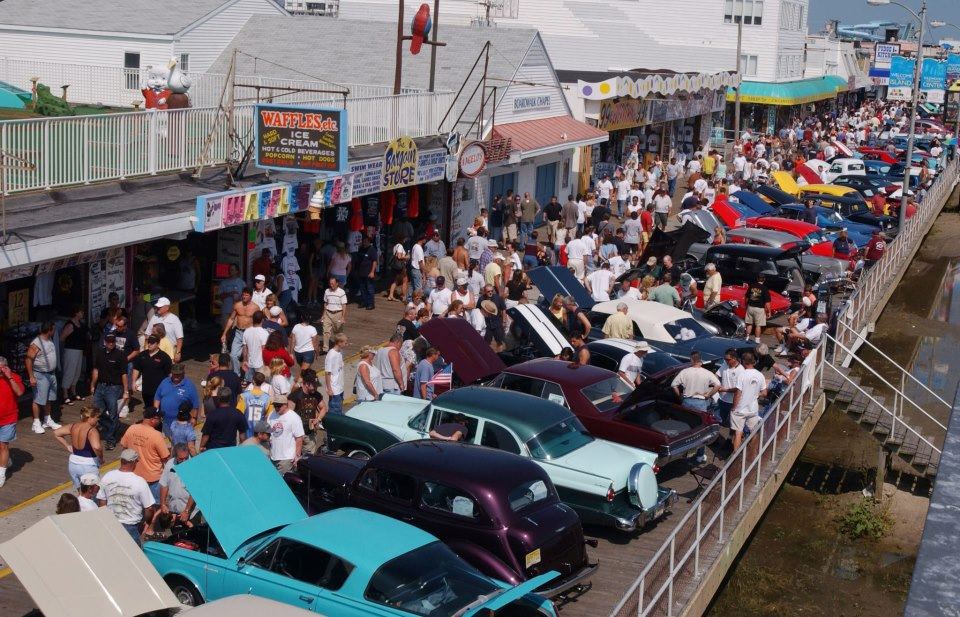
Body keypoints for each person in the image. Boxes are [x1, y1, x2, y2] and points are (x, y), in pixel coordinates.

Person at [97, 449, 156, 546]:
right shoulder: (140, 482)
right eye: (137, 461)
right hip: (131, 527)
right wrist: (147, 522)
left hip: (111, 524)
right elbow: (149, 508)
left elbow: (102, 502)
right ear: (133, 462)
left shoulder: (107, 476)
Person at [120, 407, 169, 501]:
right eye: (159, 419)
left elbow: (124, 448)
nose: (160, 421)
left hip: (134, 475)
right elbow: (165, 457)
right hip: (152, 479)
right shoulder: (156, 435)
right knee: (155, 505)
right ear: (153, 419)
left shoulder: (132, 428)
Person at [91, 334, 129, 449]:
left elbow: (124, 374)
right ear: (104, 342)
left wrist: (126, 390)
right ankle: (114, 426)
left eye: (112, 341)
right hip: (100, 386)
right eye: (108, 341)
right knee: (96, 412)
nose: (111, 343)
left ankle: (111, 439)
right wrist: (93, 385)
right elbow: (96, 370)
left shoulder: (120, 355)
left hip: (114, 388)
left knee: (113, 414)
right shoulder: (99, 353)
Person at [53, 406, 102, 489]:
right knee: (93, 493)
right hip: (88, 465)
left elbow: (56, 433)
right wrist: (101, 457)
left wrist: (67, 445)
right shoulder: (92, 430)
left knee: (80, 492)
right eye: (97, 417)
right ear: (90, 417)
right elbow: (97, 447)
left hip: (73, 464)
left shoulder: (73, 426)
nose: (98, 419)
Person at [25, 321, 61, 434]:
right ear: (49, 329)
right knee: (38, 399)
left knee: (48, 398)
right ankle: (36, 422)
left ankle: (47, 419)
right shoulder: (36, 344)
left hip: (51, 374)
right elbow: (28, 360)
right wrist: (31, 376)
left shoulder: (49, 339)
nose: (54, 331)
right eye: (53, 329)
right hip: (40, 374)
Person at [730, 351, 767, 451]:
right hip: (753, 409)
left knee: (738, 433)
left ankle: (736, 457)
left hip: (740, 409)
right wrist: (755, 394)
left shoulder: (742, 375)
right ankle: (753, 454)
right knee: (754, 432)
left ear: (743, 361)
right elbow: (764, 393)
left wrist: (734, 407)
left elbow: (738, 393)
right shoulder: (760, 375)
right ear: (754, 362)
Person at [153, 364, 200, 438]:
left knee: (179, 445)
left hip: (181, 423)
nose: (176, 376)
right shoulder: (165, 382)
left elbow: (195, 405)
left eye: (179, 374)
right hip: (165, 422)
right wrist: (156, 412)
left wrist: (194, 418)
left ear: (183, 373)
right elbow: (157, 397)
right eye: (174, 374)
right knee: (167, 443)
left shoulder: (190, 386)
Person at [288, 370, 327, 454]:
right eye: (314, 385)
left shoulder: (316, 395)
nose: (316, 388)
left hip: (310, 434)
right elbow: (288, 415)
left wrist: (318, 419)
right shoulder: (295, 395)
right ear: (306, 384)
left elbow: (323, 408)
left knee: (308, 459)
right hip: (296, 435)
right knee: (295, 457)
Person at [132, 335, 172, 414]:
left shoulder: (164, 357)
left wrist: (171, 388)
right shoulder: (142, 355)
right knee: (148, 408)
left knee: (158, 410)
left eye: (152, 343)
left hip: (159, 390)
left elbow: (169, 374)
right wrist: (133, 382)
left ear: (158, 344)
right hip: (146, 389)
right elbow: (136, 369)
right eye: (148, 342)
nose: (149, 344)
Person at [0, 356, 24, 488]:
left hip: (8, 418)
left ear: (6, 367)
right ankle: (6, 460)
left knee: (3, 445)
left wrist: (9, 377)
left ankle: (1, 474)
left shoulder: (14, 377)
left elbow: (19, 392)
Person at [158, 443, 195, 526]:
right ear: (175, 456)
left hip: (190, 512)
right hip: (173, 510)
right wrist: (163, 504)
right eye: (181, 459)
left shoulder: (194, 465)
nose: (184, 461)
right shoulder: (170, 464)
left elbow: (194, 491)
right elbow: (164, 484)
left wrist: (186, 511)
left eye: (186, 458)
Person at [267, 394, 305, 473]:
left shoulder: (294, 417)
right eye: (275, 406)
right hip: (273, 456)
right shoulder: (271, 414)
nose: (276, 408)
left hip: (286, 458)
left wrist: (297, 456)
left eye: (279, 406)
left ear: (285, 405)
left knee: (282, 482)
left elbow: (299, 438)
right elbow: (268, 431)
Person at [60, 306, 88, 405]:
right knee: (69, 371)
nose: (82, 313)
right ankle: (65, 394)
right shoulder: (70, 325)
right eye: (81, 311)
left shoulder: (81, 324)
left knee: (76, 371)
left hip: (79, 350)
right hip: (71, 350)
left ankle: (73, 391)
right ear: (76, 313)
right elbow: (62, 338)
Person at [145, 297, 183, 363]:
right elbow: (147, 334)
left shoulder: (174, 319)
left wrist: (178, 352)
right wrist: (145, 348)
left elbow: (179, 338)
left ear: (167, 307)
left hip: (170, 351)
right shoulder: (154, 317)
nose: (158, 308)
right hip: (154, 351)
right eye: (157, 306)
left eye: (160, 307)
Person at [237, 371, 273, 437]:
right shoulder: (268, 398)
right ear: (263, 382)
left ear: (253, 381)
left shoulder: (244, 396)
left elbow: (239, 414)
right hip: (260, 432)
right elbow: (269, 416)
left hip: (246, 430)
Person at [240, 310, 270, 381]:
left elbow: (245, 348)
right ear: (262, 320)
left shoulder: (246, 331)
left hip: (249, 364)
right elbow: (264, 349)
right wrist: (266, 364)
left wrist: (244, 361)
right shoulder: (264, 333)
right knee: (261, 385)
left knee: (250, 384)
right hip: (260, 364)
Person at [744, 273, 771, 343]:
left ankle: (746, 337)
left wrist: (746, 305)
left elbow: (746, 297)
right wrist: (769, 312)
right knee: (758, 325)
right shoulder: (765, 289)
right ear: (764, 279)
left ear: (757, 278)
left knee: (749, 324)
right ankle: (757, 340)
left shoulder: (751, 286)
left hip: (750, 307)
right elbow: (767, 303)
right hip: (759, 309)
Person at [325, 333, 347, 415]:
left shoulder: (340, 352)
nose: (346, 344)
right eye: (345, 342)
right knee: (335, 411)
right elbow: (327, 373)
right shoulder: (331, 355)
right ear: (339, 343)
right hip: (334, 389)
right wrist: (329, 389)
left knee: (339, 410)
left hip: (340, 387)